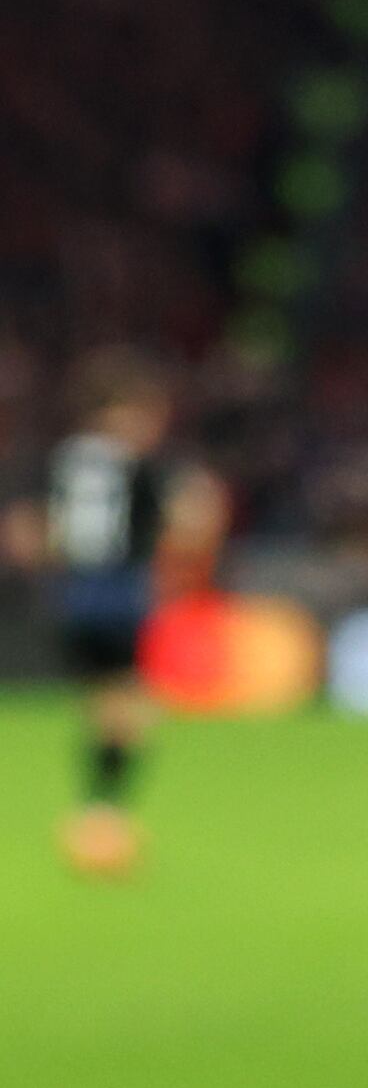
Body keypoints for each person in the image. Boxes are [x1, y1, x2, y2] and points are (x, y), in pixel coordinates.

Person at [3, 352, 224, 878]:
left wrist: (56, 568)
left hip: (69, 597)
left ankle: (98, 819)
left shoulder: (55, 459)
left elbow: (24, 533)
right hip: (118, 596)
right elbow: (193, 520)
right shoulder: (142, 466)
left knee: (108, 703)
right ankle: (100, 820)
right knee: (128, 708)